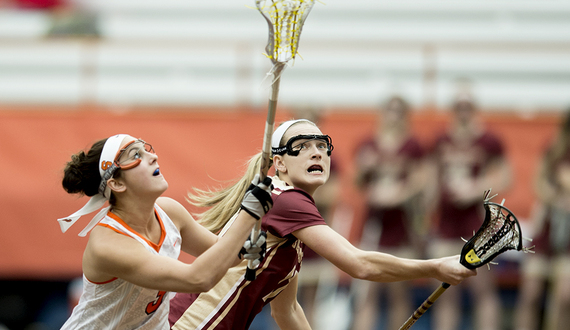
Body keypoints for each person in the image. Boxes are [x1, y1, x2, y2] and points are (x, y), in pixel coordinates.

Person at [169, 119, 477, 330]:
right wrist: (434, 267)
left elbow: (286, 311)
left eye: (321, 145)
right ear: (280, 165)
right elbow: (361, 265)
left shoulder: (286, 216)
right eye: (301, 146)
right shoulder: (287, 201)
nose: (316, 151)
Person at [57, 134, 272, 329]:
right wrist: (247, 215)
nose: (154, 157)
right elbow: (199, 279)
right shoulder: (108, 244)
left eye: (147, 149)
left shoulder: (169, 211)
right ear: (116, 183)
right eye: (136, 155)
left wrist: (245, 249)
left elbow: (221, 254)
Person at [426, 95, 512, 330]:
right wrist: (426, 215)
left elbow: (505, 177)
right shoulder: (441, 140)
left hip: (477, 223)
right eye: (459, 107)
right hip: (446, 223)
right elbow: (432, 179)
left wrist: (476, 189)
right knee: (445, 292)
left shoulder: (488, 140)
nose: (463, 113)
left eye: (467, 108)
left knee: (482, 290)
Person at [352, 95, 429, 330]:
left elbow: (422, 181)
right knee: (367, 292)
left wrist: (399, 194)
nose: (393, 117)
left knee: (399, 293)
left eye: (398, 111)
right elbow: (357, 182)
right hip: (375, 224)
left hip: (401, 224)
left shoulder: (413, 146)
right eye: (390, 111)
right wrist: (366, 169)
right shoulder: (369, 144)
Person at [513, 109, 570, 330]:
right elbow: (539, 182)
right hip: (549, 226)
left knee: (564, 298)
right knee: (531, 294)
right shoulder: (555, 147)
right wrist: (555, 198)